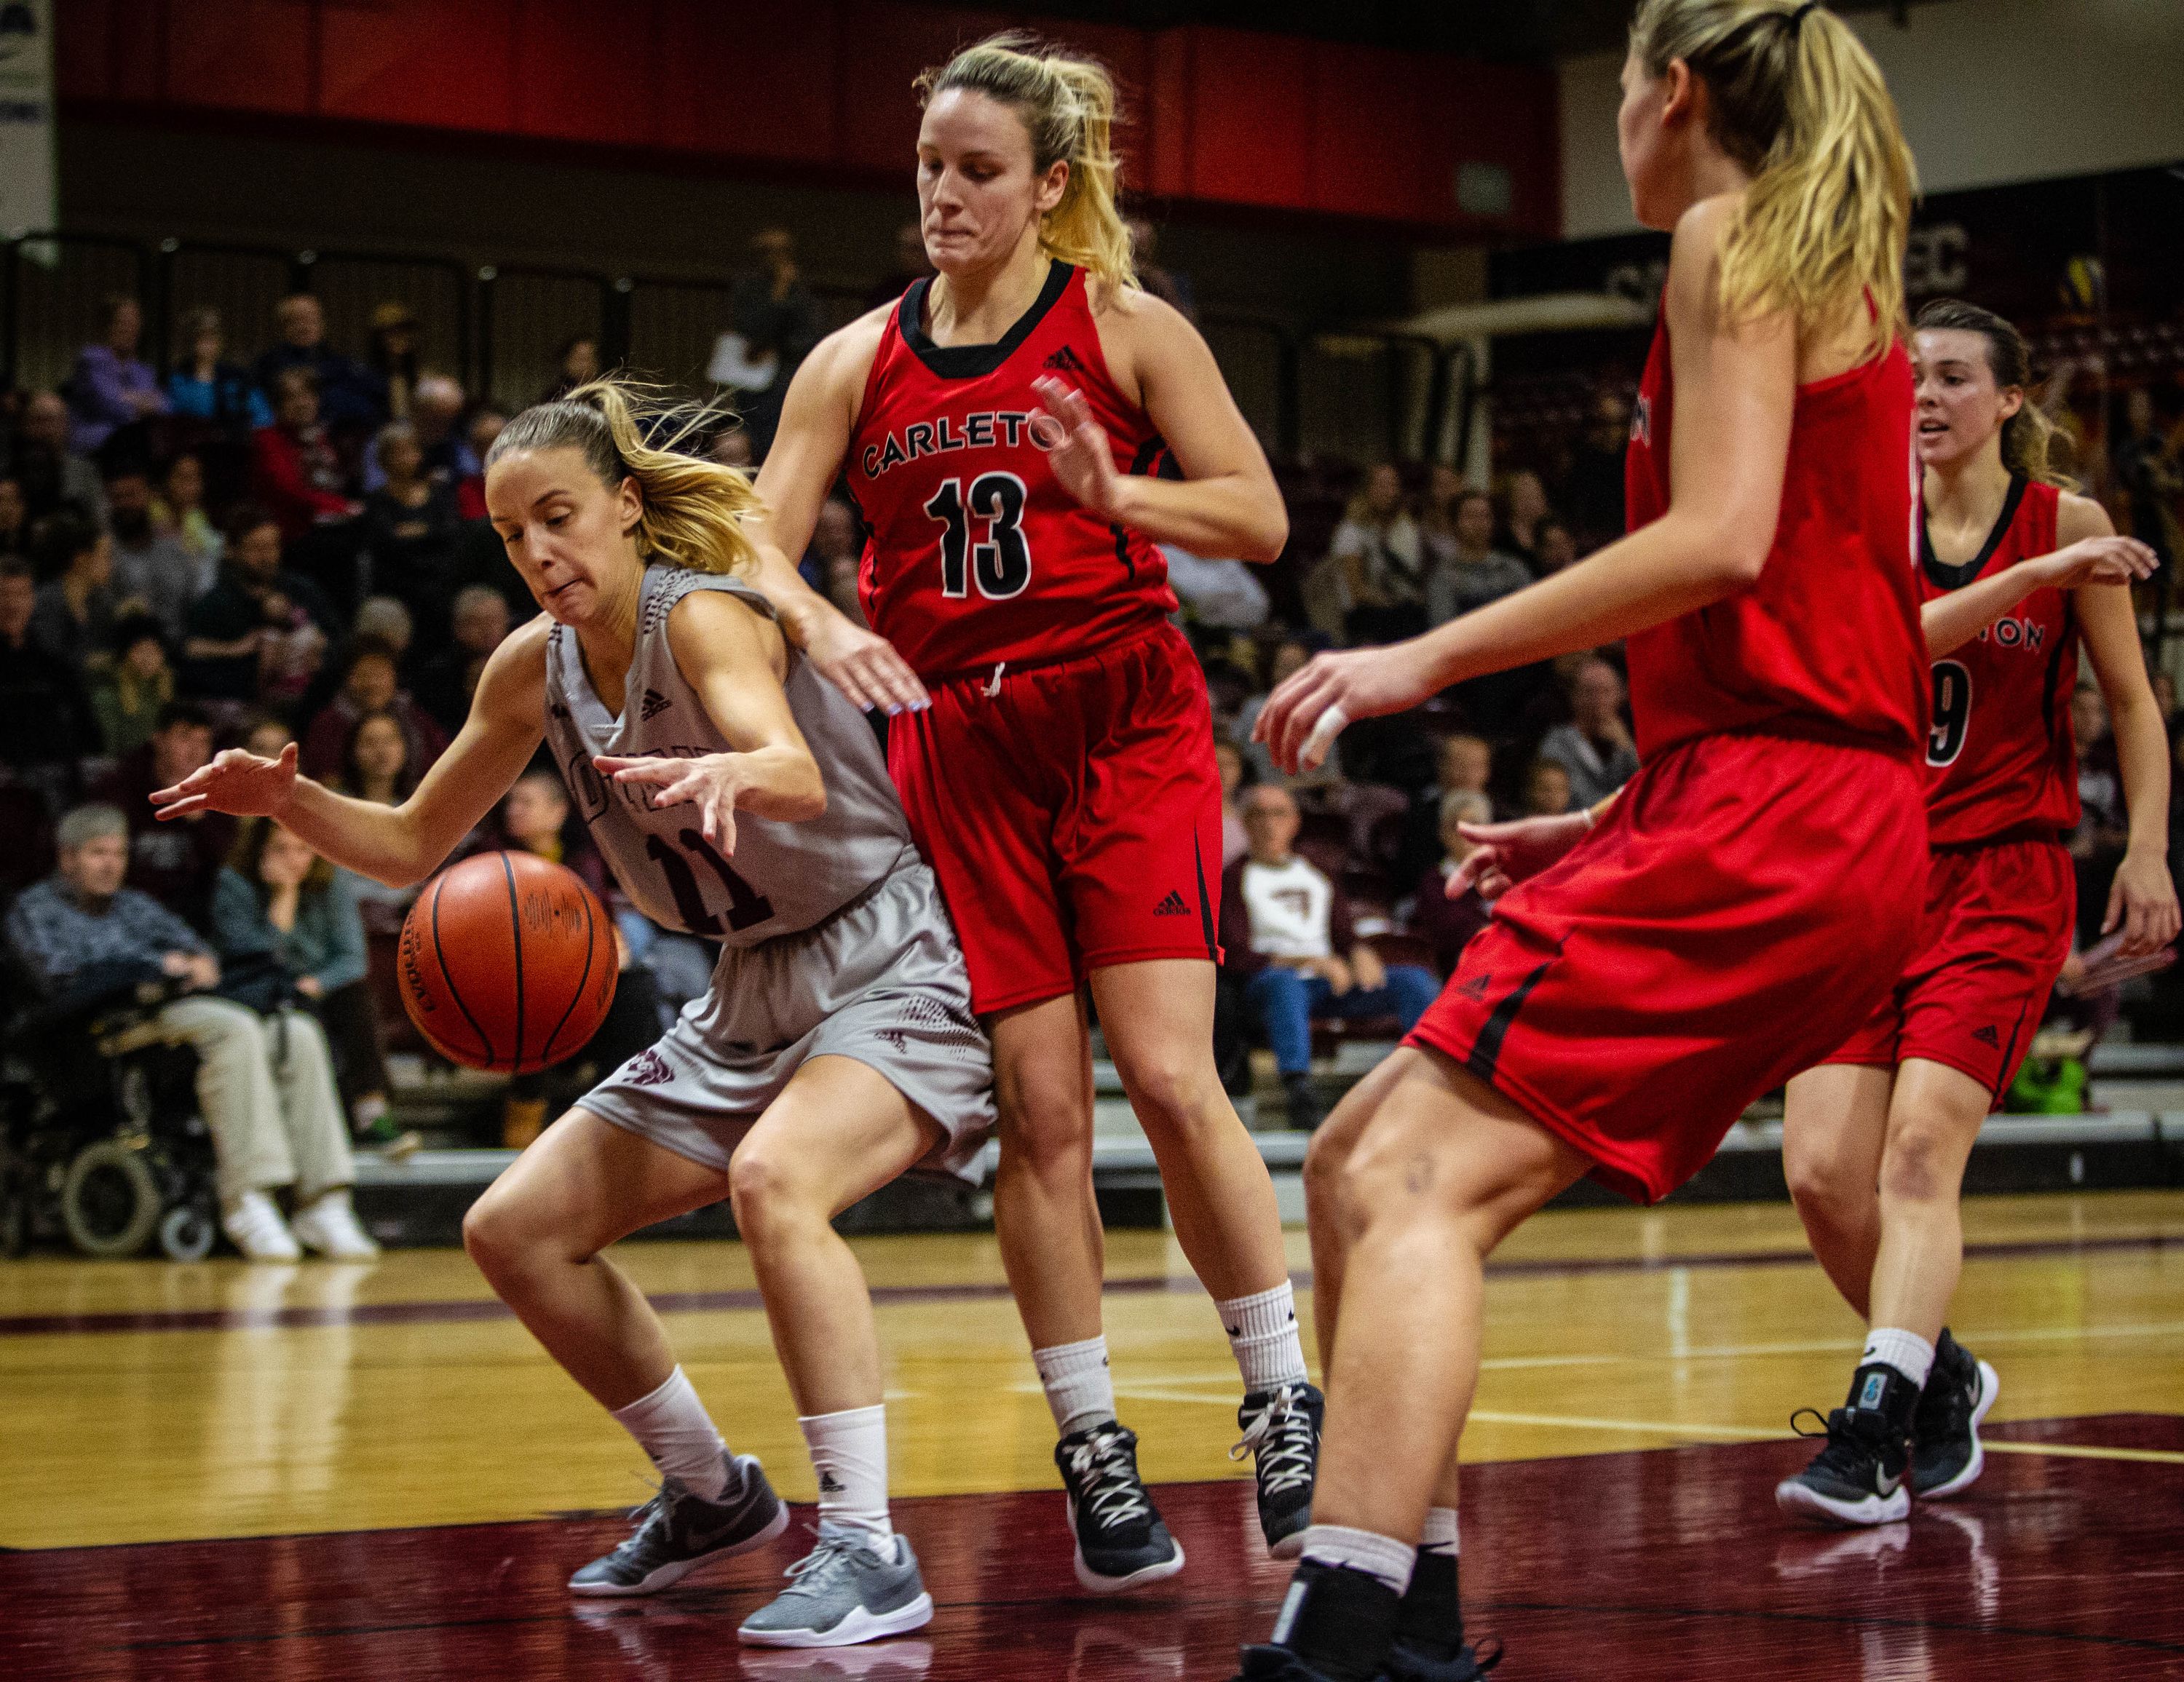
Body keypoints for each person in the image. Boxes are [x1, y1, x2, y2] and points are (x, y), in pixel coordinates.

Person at [1238, 5, 1933, 1675]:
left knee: (1403, 1179)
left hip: (1785, 813)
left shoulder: (1727, 232)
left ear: (1670, 90)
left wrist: (1424, 650)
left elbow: (1715, 542)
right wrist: (1616, 812)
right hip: (1781, 804)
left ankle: (1339, 1640)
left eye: (1623, 85)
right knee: (1353, 1172)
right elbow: (1820, 624)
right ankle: (1408, 1620)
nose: (1615, 116)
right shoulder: (1821, 266)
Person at [151, 378, 996, 1648]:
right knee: (516, 1229)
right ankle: (714, 1495)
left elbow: (796, 769)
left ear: (626, 506)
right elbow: (405, 845)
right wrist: (288, 803)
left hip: (893, 959)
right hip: (747, 987)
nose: (540, 553)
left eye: (559, 517)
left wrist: (731, 769)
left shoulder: (703, 615)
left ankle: (870, 1548)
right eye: (511, 534)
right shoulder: (532, 668)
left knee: (777, 1181)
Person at [738, 33, 1319, 1590]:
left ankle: (1281, 1399)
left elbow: (1258, 518)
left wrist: (1122, 500)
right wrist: (820, 624)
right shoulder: (853, 360)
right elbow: (750, 545)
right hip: (959, 748)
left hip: (1122, 716)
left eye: (977, 170)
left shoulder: (1126, 326)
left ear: (1051, 187)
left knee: (1174, 1075)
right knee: (1042, 1114)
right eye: (930, 165)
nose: (943, 192)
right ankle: (1094, 1443)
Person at [1777, 298, 2175, 1527]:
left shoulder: (2071, 521)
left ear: (2010, 401)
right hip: (1868, 869)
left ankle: (1876, 1433)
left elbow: (2135, 703)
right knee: (1818, 1175)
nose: (1929, 397)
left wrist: (2150, 849)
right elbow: (1880, 654)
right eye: (1916, 379)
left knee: (1913, 1156)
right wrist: (2038, 576)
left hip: (2002, 873)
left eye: (1955, 377)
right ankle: (1943, 1374)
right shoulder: (1868, 519)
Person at [7, 804, 375, 1261]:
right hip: (101, 1027)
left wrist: (192, 965)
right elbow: (58, 980)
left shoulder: (135, 906)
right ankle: (248, 1196)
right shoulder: (36, 910)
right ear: (68, 859)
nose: (111, 864)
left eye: (119, 854)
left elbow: (200, 956)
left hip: (171, 1009)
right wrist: (150, 968)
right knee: (234, 1027)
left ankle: (323, 1198)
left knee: (296, 1029)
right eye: (97, 853)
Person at [1222, 784, 1439, 1131]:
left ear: (1295, 822)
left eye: (1278, 814)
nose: (1269, 824)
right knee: (1284, 985)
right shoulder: (1235, 877)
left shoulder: (1317, 873)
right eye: (1258, 815)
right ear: (1244, 824)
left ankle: (1427, 1080)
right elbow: (1236, 954)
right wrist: (1307, 962)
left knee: (1414, 980)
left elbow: (1344, 936)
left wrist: (1360, 953)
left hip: (1328, 982)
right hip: (1269, 983)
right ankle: (1299, 1091)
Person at [213, 817, 394, 1140]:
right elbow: (266, 961)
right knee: (304, 1013)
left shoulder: (331, 880)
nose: (293, 860)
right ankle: (334, 1125)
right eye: (280, 849)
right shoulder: (234, 884)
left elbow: (354, 958)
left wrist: (317, 983)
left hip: (317, 985)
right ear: (259, 851)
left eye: (302, 850)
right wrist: (284, 895)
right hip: (259, 992)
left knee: (356, 997)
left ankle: (372, 1110)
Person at [90, 699, 235, 932]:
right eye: (184, 738)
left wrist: (199, 820)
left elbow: (226, 862)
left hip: (192, 913)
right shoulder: (118, 786)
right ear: (159, 740)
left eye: (203, 741)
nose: (195, 751)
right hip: (125, 907)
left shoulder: (218, 792)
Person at [183, 504, 336, 706]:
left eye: (273, 546)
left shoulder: (301, 590)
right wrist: (250, 660)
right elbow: (194, 669)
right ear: (231, 550)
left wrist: (319, 653)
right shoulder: (214, 605)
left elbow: (335, 638)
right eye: (256, 548)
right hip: (245, 707)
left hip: (308, 699)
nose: (267, 557)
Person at [0, 557, 100, 809]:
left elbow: (87, 731)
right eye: (4, 595)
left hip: (57, 780)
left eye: (21, 594)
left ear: (32, 600)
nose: (12, 604)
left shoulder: (54, 664)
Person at [300, 642, 447, 783]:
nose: (372, 684)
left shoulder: (414, 717)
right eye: (363, 675)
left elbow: (441, 764)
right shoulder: (327, 724)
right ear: (347, 678)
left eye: (380, 675)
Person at [251, 369, 360, 544]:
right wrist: (343, 507)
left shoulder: (321, 436)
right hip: (297, 536)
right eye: (292, 397)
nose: (302, 403)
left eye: (308, 395)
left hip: (334, 528)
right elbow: (290, 492)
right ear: (278, 406)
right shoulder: (269, 440)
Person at [106, 465, 211, 641]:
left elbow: (196, 602)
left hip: (178, 645)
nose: (125, 503)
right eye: (118, 497)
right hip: (125, 648)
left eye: (132, 495)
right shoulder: (103, 554)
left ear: (149, 495)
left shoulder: (175, 547)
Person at [1328, 463, 1425, 643]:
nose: (1388, 491)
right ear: (1367, 489)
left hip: (1396, 608)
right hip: (1360, 613)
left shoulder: (1404, 528)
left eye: (1392, 485)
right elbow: (1357, 590)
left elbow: (1410, 576)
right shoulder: (1351, 531)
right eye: (1381, 485)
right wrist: (1390, 602)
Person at [1405, 790, 1495, 978]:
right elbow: (1452, 933)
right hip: (1456, 973)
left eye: (1475, 824)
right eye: (1458, 826)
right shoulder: (1434, 882)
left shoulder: (1504, 877)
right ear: (1443, 833)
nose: (1467, 834)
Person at [68, 295, 168, 456]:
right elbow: (107, 404)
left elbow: (164, 406)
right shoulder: (91, 359)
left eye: (134, 324)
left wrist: (125, 397)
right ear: (108, 327)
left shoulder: (145, 371)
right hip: (95, 446)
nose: (129, 329)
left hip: (133, 447)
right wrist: (141, 402)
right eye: (123, 323)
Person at [1537, 655, 1639, 808]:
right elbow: (1577, 802)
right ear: (1574, 697)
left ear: (1621, 695)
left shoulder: (1625, 738)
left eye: (1606, 692)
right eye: (1590, 692)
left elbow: (1649, 788)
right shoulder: (1557, 744)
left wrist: (1627, 747)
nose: (1599, 701)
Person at [28, 512, 119, 680]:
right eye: (106, 557)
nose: (111, 565)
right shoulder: (45, 602)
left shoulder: (102, 601)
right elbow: (50, 658)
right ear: (81, 560)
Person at [413, 584, 511, 734]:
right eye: (478, 622)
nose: (488, 629)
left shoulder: (524, 662)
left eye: (494, 620)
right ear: (458, 627)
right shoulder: (436, 676)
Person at [167, 309, 273, 435]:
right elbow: (172, 413)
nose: (207, 343)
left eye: (212, 336)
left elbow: (264, 417)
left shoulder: (238, 378)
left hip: (235, 444)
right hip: (194, 443)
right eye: (200, 336)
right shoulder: (178, 379)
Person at [12, 391, 106, 524]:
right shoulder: (10, 470)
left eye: (52, 420)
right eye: (38, 420)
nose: (46, 430)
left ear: (66, 425)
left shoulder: (85, 471)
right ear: (25, 426)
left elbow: (100, 519)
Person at [92, 615, 175, 758]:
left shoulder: (168, 691)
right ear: (125, 654)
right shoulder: (108, 696)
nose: (148, 659)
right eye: (140, 651)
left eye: (154, 652)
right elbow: (109, 750)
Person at [1496, 469, 1552, 574]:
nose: (1530, 503)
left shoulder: (1554, 534)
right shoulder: (1500, 539)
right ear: (1511, 500)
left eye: (1535, 496)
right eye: (1524, 497)